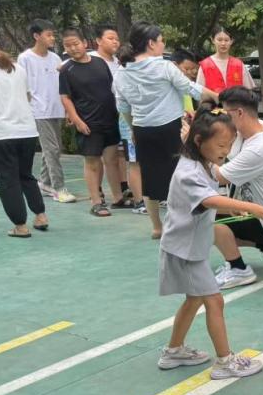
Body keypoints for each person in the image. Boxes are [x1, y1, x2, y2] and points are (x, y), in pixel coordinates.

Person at [158, 105, 263, 379]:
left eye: (229, 144)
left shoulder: (201, 162)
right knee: (214, 301)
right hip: (185, 251)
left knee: (194, 299)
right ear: (199, 141)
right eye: (220, 145)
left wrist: (231, 207)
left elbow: (208, 199)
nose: (225, 151)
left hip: (188, 247)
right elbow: (209, 200)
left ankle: (173, 351)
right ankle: (225, 361)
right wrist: (250, 207)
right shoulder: (189, 172)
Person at [115, 22, 217, 239]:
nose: (163, 44)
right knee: (181, 174)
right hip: (170, 127)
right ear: (151, 43)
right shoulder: (164, 67)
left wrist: (133, 128)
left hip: (142, 129)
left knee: (149, 178)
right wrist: (220, 97)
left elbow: (123, 107)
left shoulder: (122, 72)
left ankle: (156, 226)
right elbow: (191, 88)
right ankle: (184, 223)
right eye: (161, 40)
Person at [211, 86, 263, 289]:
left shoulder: (258, 147)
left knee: (202, 220)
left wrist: (195, 146)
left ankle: (238, 269)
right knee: (217, 213)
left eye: (225, 113)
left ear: (239, 113)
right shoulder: (254, 128)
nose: (223, 119)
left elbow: (219, 177)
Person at [59, 28, 125, 217]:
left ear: (85, 43)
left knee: (112, 160)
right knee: (92, 162)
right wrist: (77, 120)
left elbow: (112, 88)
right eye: (68, 46)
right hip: (88, 122)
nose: (73, 48)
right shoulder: (66, 70)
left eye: (75, 44)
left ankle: (118, 198)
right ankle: (96, 201)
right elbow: (65, 98)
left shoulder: (99, 63)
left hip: (110, 119)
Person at [18, 19, 75, 203]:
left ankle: (44, 182)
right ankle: (59, 188)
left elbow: (62, 86)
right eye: (48, 35)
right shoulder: (25, 58)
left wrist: (67, 109)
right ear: (36, 36)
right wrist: (26, 110)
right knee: (52, 149)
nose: (52, 38)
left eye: (53, 34)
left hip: (56, 109)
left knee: (53, 149)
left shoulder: (55, 58)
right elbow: (22, 87)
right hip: (38, 111)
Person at [0, 45, 50, 237]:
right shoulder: (17, 68)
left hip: (2, 133)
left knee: (7, 180)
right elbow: (27, 96)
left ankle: (20, 225)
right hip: (27, 130)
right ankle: (41, 215)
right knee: (25, 175)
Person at [92, 24, 137, 209]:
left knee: (117, 155)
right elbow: (64, 68)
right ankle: (96, 193)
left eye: (117, 39)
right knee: (95, 158)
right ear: (98, 40)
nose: (115, 42)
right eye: (110, 38)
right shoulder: (91, 59)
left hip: (118, 115)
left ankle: (121, 191)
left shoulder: (119, 62)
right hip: (98, 116)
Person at [196, 26, 253, 93]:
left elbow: (250, 91)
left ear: (231, 41)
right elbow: (198, 92)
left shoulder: (239, 64)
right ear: (213, 40)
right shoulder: (205, 65)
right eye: (219, 40)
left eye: (226, 40)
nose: (223, 43)